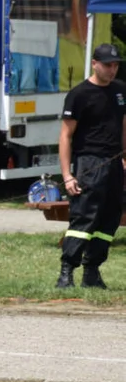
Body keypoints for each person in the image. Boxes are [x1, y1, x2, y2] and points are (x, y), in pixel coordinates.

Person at [56, 43, 126, 289]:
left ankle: (92, 271)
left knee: (109, 220)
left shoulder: (120, 91)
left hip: (115, 163)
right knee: (84, 219)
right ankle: (66, 271)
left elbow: (123, 125)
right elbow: (65, 136)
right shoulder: (79, 94)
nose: (112, 69)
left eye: (116, 65)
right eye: (108, 64)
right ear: (94, 63)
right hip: (89, 163)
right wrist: (67, 175)